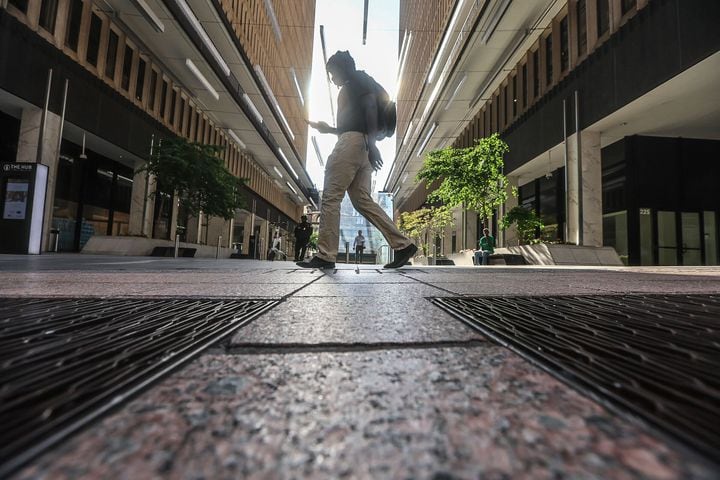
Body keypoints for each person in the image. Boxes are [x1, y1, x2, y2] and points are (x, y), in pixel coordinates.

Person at [298, 50, 416, 269]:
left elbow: (370, 106)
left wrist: (371, 145)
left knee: (331, 196)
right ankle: (402, 245)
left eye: (333, 73)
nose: (333, 80)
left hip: (353, 144)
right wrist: (331, 130)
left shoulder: (355, 82)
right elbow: (358, 121)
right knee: (362, 200)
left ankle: (325, 255)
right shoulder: (362, 82)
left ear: (343, 68)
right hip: (360, 144)